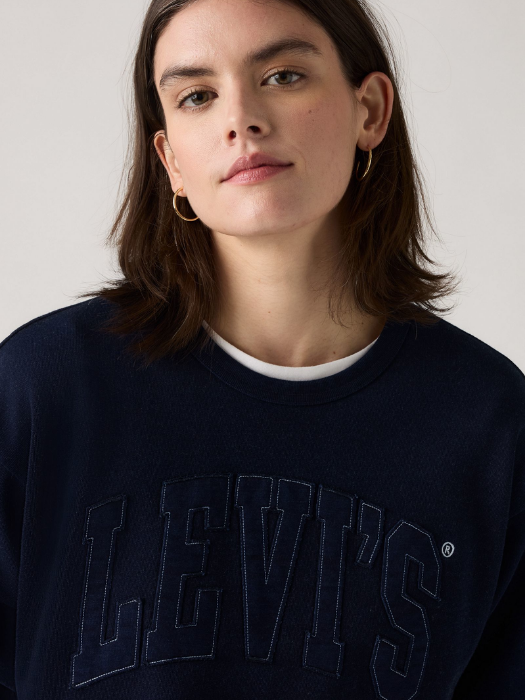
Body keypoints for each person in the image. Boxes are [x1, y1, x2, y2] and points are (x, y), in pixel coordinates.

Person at [0, 0, 523, 698]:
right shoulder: (45, 389)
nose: (240, 119)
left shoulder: (488, 421)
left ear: (369, 110)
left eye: (281, 76)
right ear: (171, 161)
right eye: (197, 95)